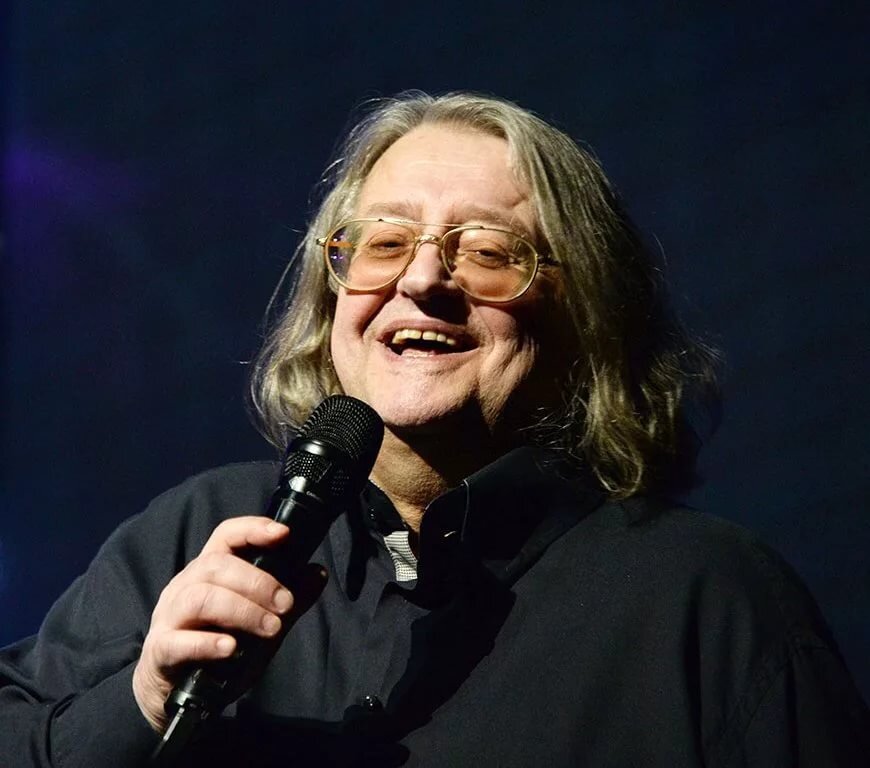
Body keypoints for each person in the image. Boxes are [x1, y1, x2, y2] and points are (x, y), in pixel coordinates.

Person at [1, 91, 868, 767]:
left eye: (487, 252)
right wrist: (143, 700)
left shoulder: (709, 602)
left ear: (586, 317)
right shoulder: (196, 536)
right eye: (382, 244)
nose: (422, 281)